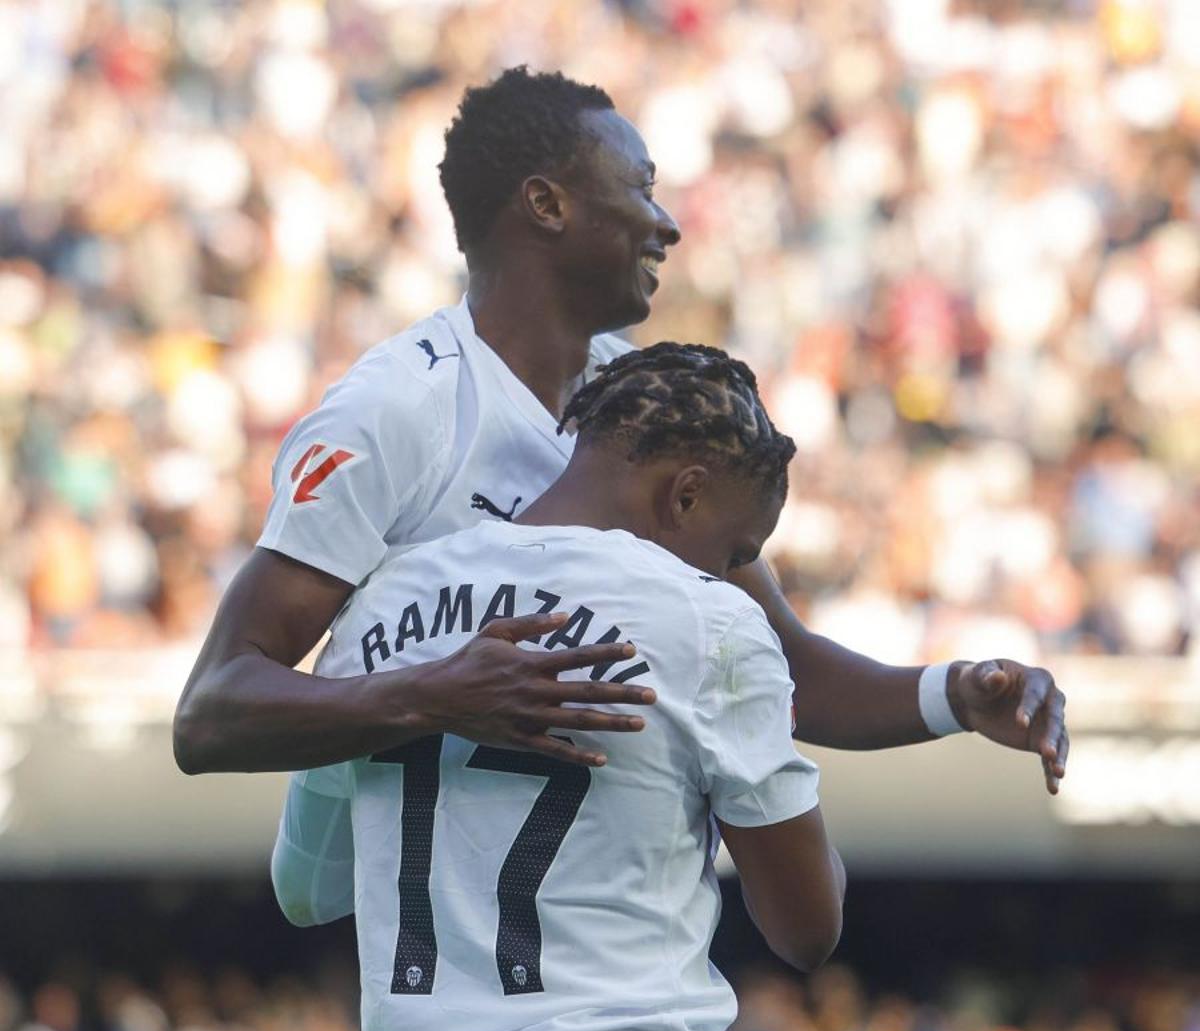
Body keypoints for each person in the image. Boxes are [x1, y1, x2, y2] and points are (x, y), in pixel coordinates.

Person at [173, 66, 1068, 791]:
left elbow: (779, 669)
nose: (668, 223)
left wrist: (953, 695)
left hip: (603, 940)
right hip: (428, 975)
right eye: (641, 188)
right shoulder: (397, 411)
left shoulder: (650, 408)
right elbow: (213, 710)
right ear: (547, 204)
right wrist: (434, 695)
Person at [282, 340, 876, 1031]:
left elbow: (307, 886)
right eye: (734, 545)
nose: (729, 570)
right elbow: (807, 926)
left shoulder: (377, 607)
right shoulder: (702, 616)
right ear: (686, 493)